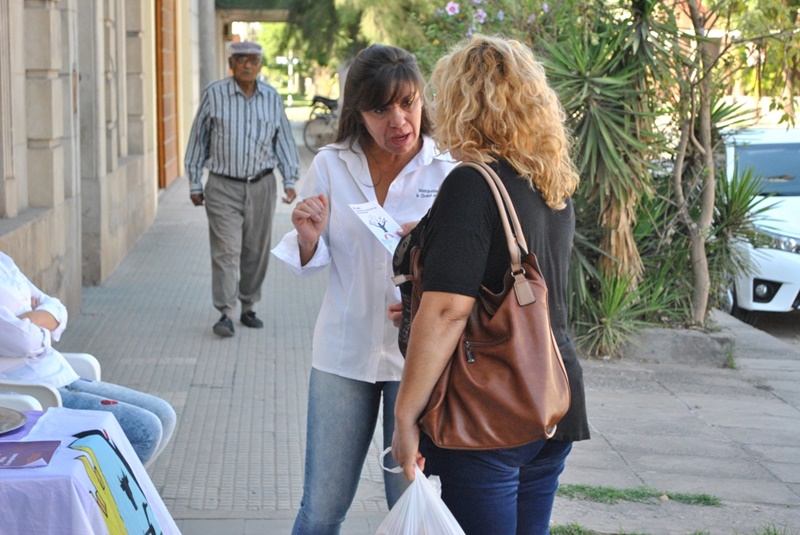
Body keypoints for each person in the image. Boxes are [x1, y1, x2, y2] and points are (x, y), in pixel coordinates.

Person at [391, 34, 591, 535]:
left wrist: (405, 415)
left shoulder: (472, 184)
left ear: (463, 103)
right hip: (552, 395)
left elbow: (447, 312)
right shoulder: (550, 183)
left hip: (491, 410)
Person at [271, 44, 456, 534]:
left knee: (412, 506)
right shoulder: (332, 165)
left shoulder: (449, 169)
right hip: (343, 354)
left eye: (408, 103)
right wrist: (308, 238)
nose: (398, 121)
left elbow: (466, 271)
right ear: (358, 111)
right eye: (380, 110)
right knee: (321, 509)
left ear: (422, 99)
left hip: (418, 359)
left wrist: (424, 271)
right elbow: (312, 262)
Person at [0, 252, 176, 467]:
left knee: (164, 415)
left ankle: (116, 487)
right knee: (145, 430)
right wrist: (41, 319)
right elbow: (24, 340)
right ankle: (102, 489)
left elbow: (56, 308)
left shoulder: (4, 261)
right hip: (28, 389)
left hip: (61, 373)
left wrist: (26, 322)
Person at [184, 41, 301, 338]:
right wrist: (195, 182)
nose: (247, 65)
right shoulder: (214, 94)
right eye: (240, 60)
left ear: (259, 64)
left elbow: (284, 141)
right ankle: (225, 312)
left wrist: (289, 179)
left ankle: (248, 305)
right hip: (222, 186)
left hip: (262, 185)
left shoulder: (272, 98)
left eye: (252, 60)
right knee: (226, 251)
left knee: (255, 251)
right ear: (231, 64)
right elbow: (198, 139)